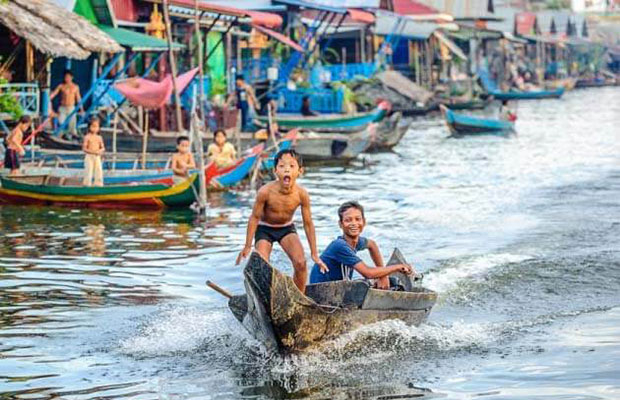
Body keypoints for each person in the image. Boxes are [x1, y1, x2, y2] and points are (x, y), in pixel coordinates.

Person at [236, 149, 327, 293]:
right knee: (261, 266)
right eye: (282, 166)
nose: (287, 170)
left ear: (300, 171)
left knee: (301, 263)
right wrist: (247, 245)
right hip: (264, 229)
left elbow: (308, 224)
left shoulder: (301, 194)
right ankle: (263, 297)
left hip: (286, 229)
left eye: (292, 166)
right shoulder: (265, 192)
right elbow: (254, 217)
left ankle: (299, 297)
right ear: (275, 171)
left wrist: (314, 253)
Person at [309, 201, 414, 290]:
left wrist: (383, 275)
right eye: (348, 220)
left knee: (389, 282)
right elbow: (368, 273)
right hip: (321, 292)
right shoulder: (339, 246)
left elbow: (372, 245)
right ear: (340, 224)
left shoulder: (357, 242)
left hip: (338, 288)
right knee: (370, 282)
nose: (354, 223)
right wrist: (398, 267)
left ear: (364, 222)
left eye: (357, 219)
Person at [50, 70, 83, 139]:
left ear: (71, 77)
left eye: (68, 77)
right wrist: (48, 98)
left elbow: (78, 98)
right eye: (65, 77)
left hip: (71, 107)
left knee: (72, 124)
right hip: (62, 107)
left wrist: (81, 109)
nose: (67, 78)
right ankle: (60, 135)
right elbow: (54, 94)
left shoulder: (75, 87)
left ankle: (72, 136)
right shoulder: (61, 86)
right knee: (61, 122)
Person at [82, 117, 104, 187]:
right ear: (89, 127)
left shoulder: (99, 138)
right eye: (93, 126)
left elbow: (103, 148)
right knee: (89, 171)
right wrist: (92, 152)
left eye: (96, 126)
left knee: (98, 171)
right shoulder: (87, 137)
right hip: (89, 156)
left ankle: (98, 185)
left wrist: (99, 151)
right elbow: (84, 148)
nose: (95, 128)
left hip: (97, 156)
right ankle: (87, 185)